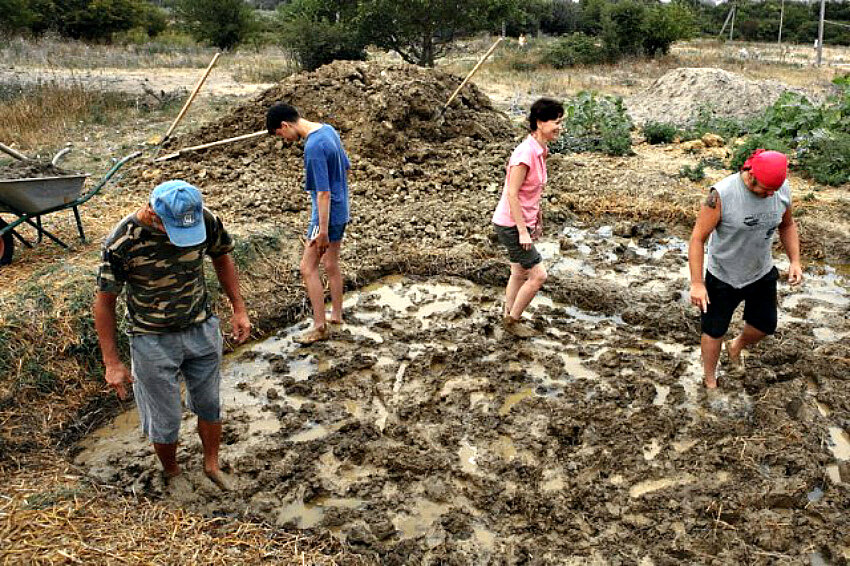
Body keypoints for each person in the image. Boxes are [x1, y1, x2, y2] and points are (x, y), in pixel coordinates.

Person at [94, 180, 251, 489]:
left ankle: (211, 465)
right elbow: (104, 301)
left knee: (209, 404)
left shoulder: (204, 219)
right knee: (164, 418)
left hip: (201, 328)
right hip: (151, 339)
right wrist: (112, 362)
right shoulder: (122, 241)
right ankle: (172, 472)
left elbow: (221, 257)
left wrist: (239, 308)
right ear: (153, 213)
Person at [688, 149, 803, 389]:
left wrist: (795, 261)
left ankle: (736, 346)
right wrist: (697, 283)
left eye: (774, 190)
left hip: (760, 271)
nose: (770, 194)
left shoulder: (781, 189)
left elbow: (788, 225)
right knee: (714, 330)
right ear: (750, 175)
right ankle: (710, 380)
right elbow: (697, 238)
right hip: (723, 275)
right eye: (765, 189)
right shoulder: (722, 194)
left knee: (765, 325)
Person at [266, 102, 351, 344]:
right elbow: (346, 168)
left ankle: (319, 326)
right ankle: (336, 316)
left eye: (280, 134)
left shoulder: (312, 146)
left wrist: (322, 230)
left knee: (307, 268)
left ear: (284, 125)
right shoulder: (328, 130)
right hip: (341, 209)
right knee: (331, 263)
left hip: (326, 216)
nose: (283, 139)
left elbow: (322, 193)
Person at [492, 97, 564, 337]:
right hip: (511, 224)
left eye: (561, 122)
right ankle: (513, 321)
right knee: (538, 275)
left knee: (518, 272)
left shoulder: (540, 150)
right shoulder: (525, 154)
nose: (559, 127)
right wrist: (523, 231)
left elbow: (532, 192)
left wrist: (536, 220)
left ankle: (507, 314)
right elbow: (512, 193)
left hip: (521, 222)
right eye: (556, 122)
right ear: (540, 123)